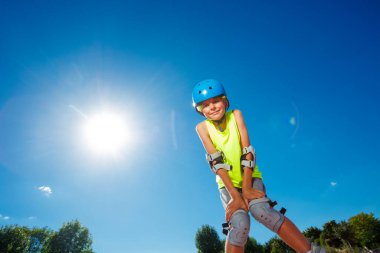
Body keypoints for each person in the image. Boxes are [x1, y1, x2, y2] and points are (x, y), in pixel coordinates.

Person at [193, 79, 325, 253]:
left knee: (262, 211)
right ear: (201, 111)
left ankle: (311, 251)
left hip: (250, 176)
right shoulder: (202, 128)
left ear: (225, 101)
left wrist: (246, 188)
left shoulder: (236, 115)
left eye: (216, 101)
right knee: (239, 224)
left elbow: (247, 152)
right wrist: (235, 196)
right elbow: (216, 162)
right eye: (206, 105)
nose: (212, 107)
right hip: (227, 185)